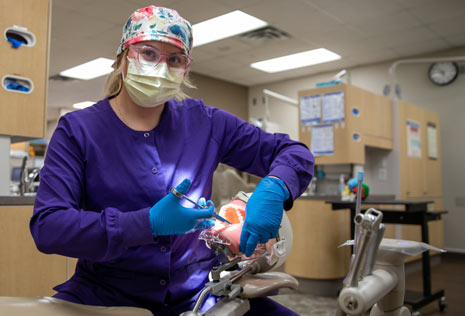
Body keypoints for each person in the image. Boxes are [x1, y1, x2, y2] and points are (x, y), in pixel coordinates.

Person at [30, 5, 314, 316]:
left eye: (175, 59)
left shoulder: (206, 123)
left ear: (185, 68)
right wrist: (144, 224)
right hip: (107, 295)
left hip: (200, 293)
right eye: (149, 54)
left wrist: (275, 187)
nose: (162, 68)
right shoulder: (78, 130)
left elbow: (293, 153)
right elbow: (49, 227)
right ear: (123, 57)